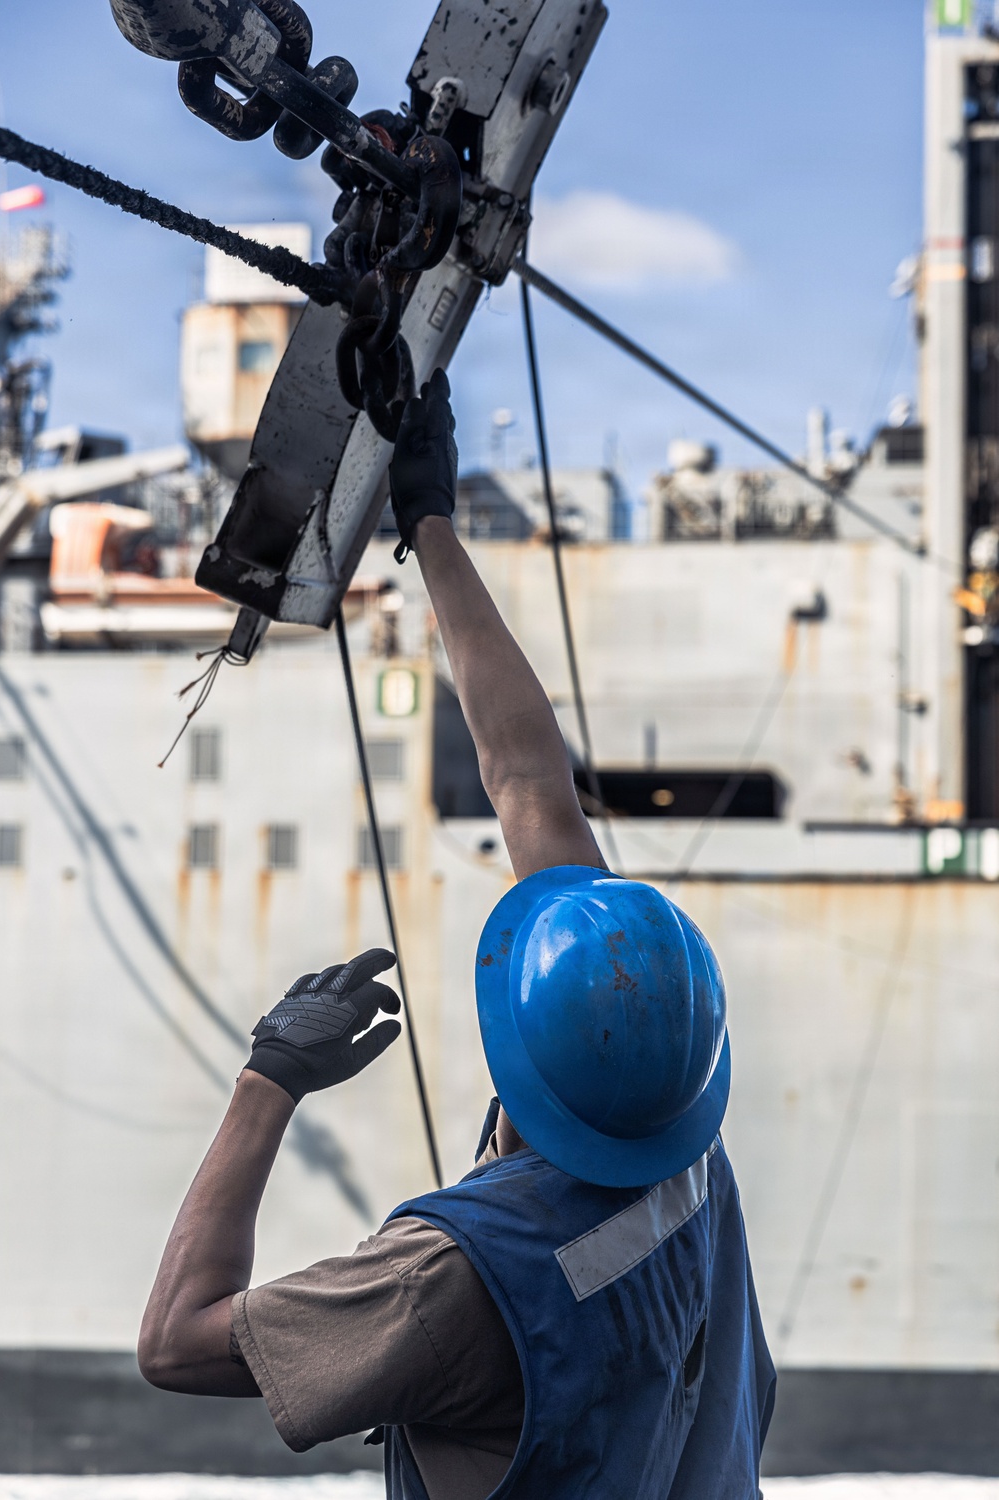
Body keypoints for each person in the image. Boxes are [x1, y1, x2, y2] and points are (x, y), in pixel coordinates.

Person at [138, 370, 776, 1499]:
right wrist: (428, 520)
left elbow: (178, 1342)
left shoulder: (452, 1280)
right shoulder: (676, 1137)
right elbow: (530, 781)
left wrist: (268, 1078)